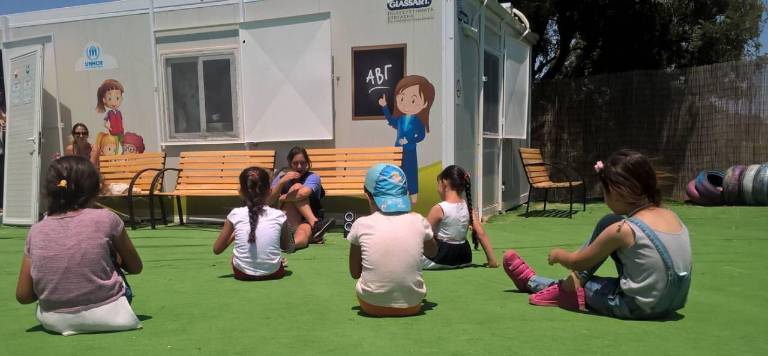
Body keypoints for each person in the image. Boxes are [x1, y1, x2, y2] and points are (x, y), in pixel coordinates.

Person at [503, 150, 692, 319]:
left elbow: (578, 262)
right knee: (609, 221)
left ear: (618, 192)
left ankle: (532, 282)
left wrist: (558, 255)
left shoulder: (624, 231)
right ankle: (570, 284)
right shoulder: (672, 216)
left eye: (605, 192)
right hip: (671, 303)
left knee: (584, 286)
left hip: (636, 306)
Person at [15, 156, 143, 335]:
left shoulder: (36, 230)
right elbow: (136, 267)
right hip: (113, 313)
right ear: (93, 189)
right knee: (112, 255)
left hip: (54, 321)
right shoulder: (106, 218)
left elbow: (23, 295)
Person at [347, 163, 438, 317]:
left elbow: (355, 272)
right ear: (404, 194)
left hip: (371, 305)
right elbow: (433, 252)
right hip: (413, 305)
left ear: (368, 195)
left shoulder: (361, 224)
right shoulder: (418, 220)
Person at [213, 166, 292, 281]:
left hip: (242, 274)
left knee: (234, 256)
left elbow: (217, 249)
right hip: (274, 273)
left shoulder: (235, 214)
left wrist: (234, 235)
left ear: (241, 192)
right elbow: (288, 247)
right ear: (270, 191)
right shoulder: (279, 215)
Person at [422, 165, 498, 269]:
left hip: (441, 257)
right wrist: (492, 260)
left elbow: (422, 233)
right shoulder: (468, 208)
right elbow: (481, 234)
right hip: (464, 257)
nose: (437, 188)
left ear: (444, 182)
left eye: (438, 183)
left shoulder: (439, 208)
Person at [378, 75, 435, 204]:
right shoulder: (400, 119)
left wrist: (410, 140)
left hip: (409, 150)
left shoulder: (418, 121)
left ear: (424, 103)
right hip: (398, 150)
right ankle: (399, 195)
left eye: (413, 100)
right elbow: (391, 120)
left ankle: (413, 195)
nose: (406, 104)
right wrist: (384, 106)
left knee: (411, 172)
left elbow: (421, 135)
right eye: (402, 98)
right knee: (398, 172)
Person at [269, 146, 334, 250]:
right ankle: (316, 225)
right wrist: (281, 182)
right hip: (289, 218)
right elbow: (269, 200)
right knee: (296, 187)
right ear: (290, 163)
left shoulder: (313, 177)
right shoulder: (281, 178)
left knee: (303, 232)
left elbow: (303, 194)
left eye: (303, 163)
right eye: (295, 163)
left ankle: (291, 244)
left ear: (307, 162)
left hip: (305, 220)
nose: (299, 167)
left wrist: (282, 198)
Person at [96, 79, 125, 153]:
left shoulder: (119, 112)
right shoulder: (109, 113)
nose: (114, 102)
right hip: (113, 133)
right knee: (115, 147)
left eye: (117, 98)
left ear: (121, 98)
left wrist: (122, 128)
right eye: (110, 98)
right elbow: (104, 123)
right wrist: (109, 128)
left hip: (121, 132)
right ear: (104, 100)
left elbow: (121, 121)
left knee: (122, 146)